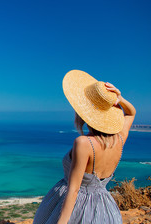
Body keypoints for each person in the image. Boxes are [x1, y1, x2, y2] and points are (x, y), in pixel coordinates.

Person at [33, 70, 136, 224]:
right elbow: (131, 113)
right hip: (104, 207)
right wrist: (119, 98)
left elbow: (74, 190)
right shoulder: (120, 138)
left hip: (75, 208)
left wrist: (61, 222)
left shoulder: (83, 143)